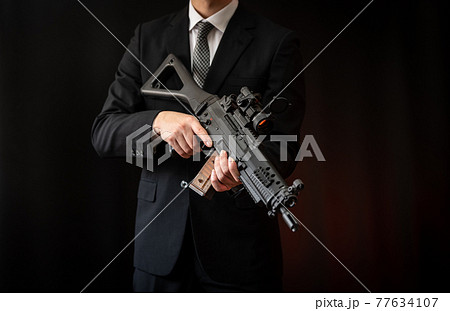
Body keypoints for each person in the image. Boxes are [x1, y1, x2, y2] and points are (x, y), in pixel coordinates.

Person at [91, 0, 305, 292]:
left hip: (240, 256)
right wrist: (158, 121)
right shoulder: (147, 37)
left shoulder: (277, 41)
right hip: (158, 250)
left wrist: (239, 177)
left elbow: (284, 146)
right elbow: (104, 131)